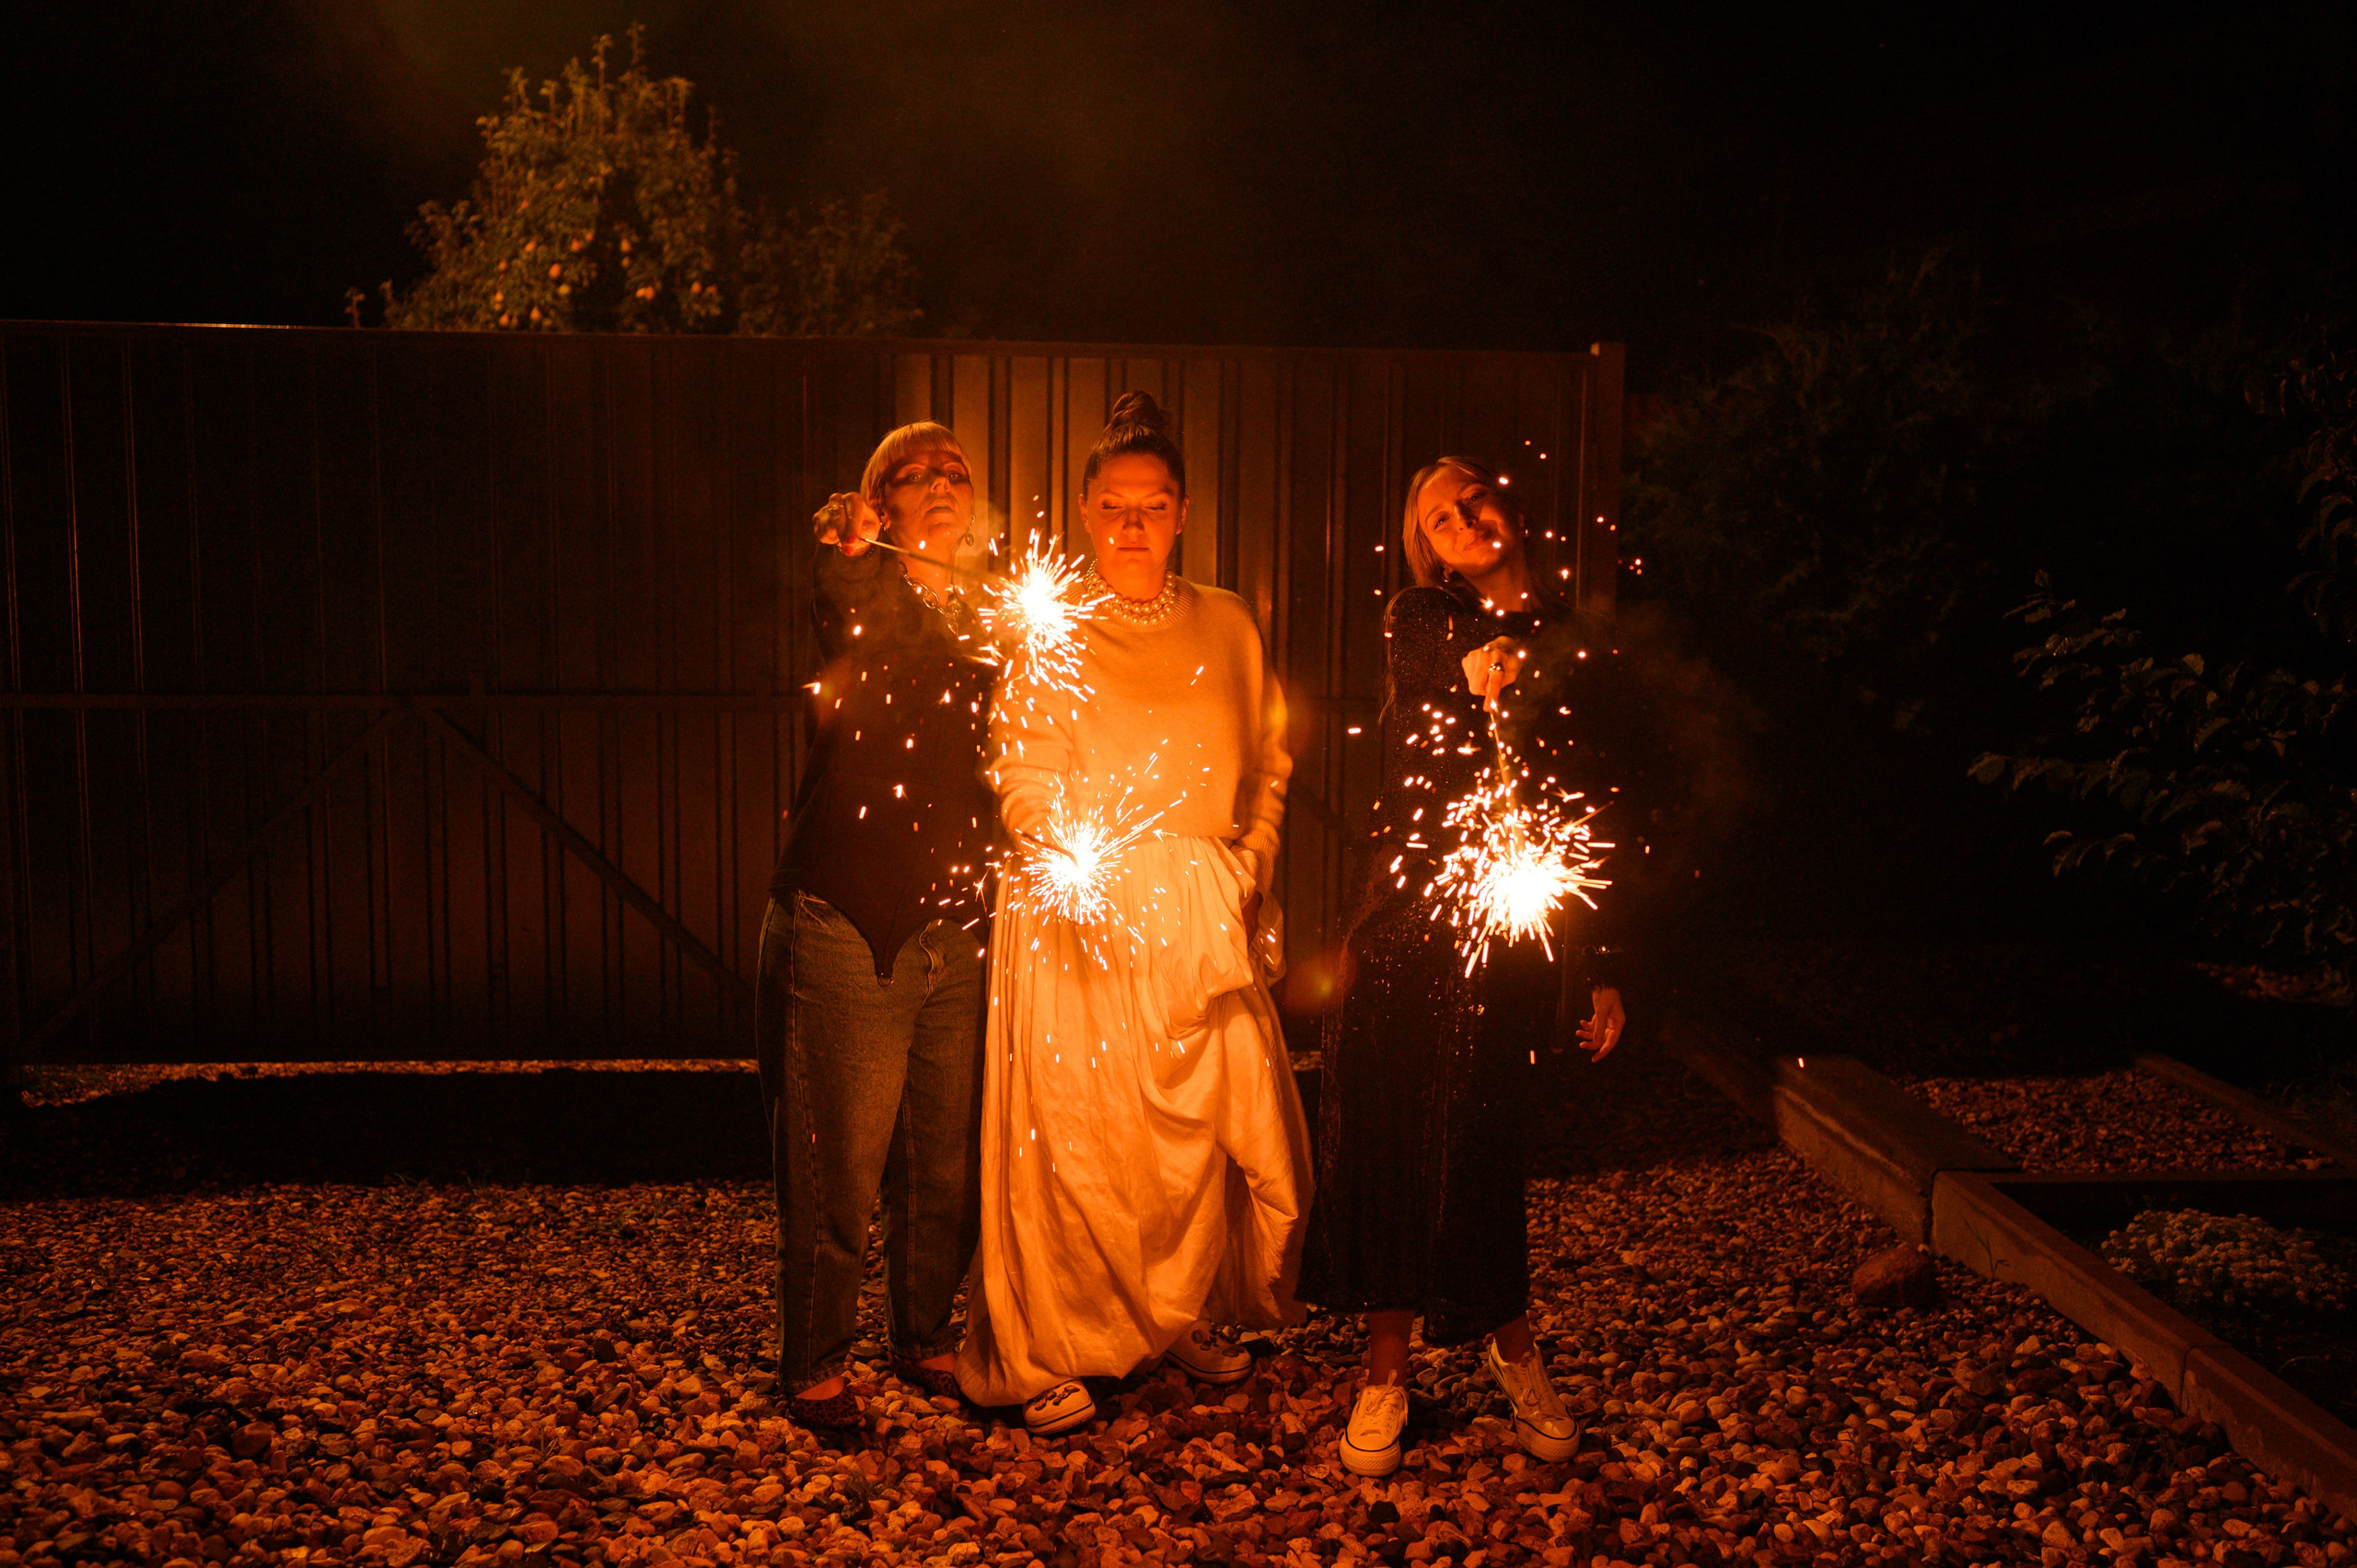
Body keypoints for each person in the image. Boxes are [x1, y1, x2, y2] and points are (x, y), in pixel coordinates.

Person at [956, 390, 1313, 1434]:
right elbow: (1017, 767)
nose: (1131, 524)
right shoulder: (1054, 629)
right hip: (1081, 914)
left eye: (1151, 504)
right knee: (1082, 1137)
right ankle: (1048, 1344)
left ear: (1183, 512)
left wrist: (1249, 869)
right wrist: (1066, 861)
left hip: (1203, 908)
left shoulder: (1231, 622)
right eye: (1113, 504)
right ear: (1084, 510)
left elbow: (1269, 764)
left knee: (1204, 1132)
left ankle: (1176, 1311)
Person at [1300, 455, 1638, 1478]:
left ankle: (1509, 1340)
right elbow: (1416, 685)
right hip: (1406, 931)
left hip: (1509, 943)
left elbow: (1597, 809)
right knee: (1396, 1134)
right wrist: (1471, 678)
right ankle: (1386, 1364)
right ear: (1424, 546)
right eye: (1437, 517)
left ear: (1510, 504)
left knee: (1482, 1143)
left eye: (1470, 499)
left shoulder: (1574, 638)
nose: (1460, 520)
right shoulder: (1421, 618)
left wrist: (1603, 965)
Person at [756, 422, 997, 1438]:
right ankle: (814, 1362)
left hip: (960, 924)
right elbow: (838, 591)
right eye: (911, 476)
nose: (938, 483)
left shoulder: (997, 619)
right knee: (839, 1161)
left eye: (955, 472)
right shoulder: (864, 587)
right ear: (881, 505)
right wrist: (845, 539)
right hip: (848, 912)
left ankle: (925, 1335)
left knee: (941, 1162)